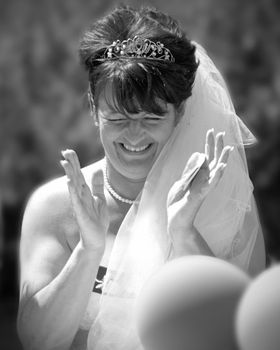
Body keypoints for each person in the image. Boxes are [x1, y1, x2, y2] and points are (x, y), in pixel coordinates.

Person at [17, 5, 266, 350]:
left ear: (179, 113)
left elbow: (246, 335)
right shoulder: (55, 206)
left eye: (151, 117)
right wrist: (89, 251)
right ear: (93, 108)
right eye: (118, 118)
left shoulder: (226, 200)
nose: (134, 136)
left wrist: (184, 234)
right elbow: (37, 342)